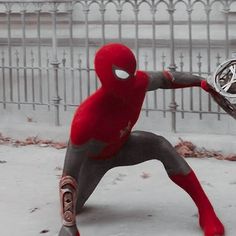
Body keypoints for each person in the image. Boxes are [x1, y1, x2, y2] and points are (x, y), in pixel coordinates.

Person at [59, 43, 235, 236]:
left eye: (130, 73)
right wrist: (68, 224)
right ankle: (71, 212)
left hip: (124, 146)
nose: (128, 81)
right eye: (122, 75)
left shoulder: (138, 82)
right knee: (76, 209)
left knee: (160, 145)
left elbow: (167, 79)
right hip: (95, 161)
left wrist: (202, 82)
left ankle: (206, 211)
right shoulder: (86, 118)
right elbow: (69, 175)